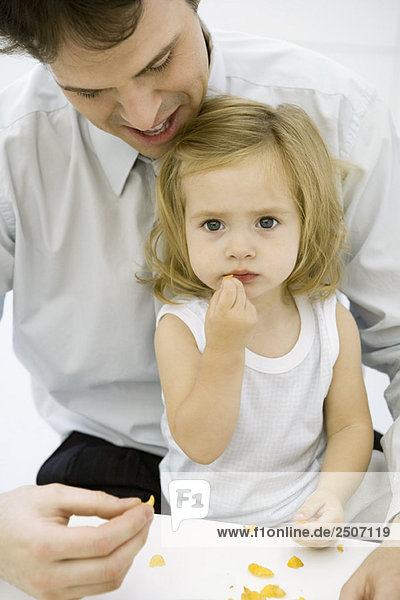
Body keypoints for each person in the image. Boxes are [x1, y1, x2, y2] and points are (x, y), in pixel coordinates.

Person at [0, 0, 398, 598]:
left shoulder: (339, 114)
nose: (143, 113)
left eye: (161, 60)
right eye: (88, 89)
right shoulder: (15, 147)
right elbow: (202, 441)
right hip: (118, 456)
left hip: (311, 465)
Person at [142, 94, 375, 536]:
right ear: (182, 227)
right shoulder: (182, 327)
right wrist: (225, 346)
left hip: (304, 512)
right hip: (204, 524)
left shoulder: (330, 320)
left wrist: (330, 495)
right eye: (213, 225)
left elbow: (350, 425)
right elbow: (201, 444)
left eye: (266, 222)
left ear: (306, 222)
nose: (240, 247)